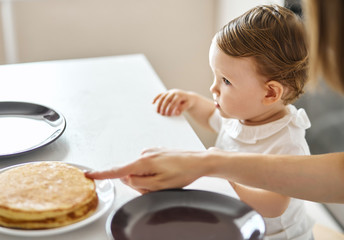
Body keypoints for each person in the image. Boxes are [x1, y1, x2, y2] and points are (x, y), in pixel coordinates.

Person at [89, 5, 314, 239]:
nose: (212, 88)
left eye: (226, 80)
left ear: (270, 94)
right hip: (234, 217)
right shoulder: (243, 114)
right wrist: (191, 102)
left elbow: (274, 205)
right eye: (215, 75)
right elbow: (210, 117)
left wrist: (230, 183)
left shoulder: (288, 144)